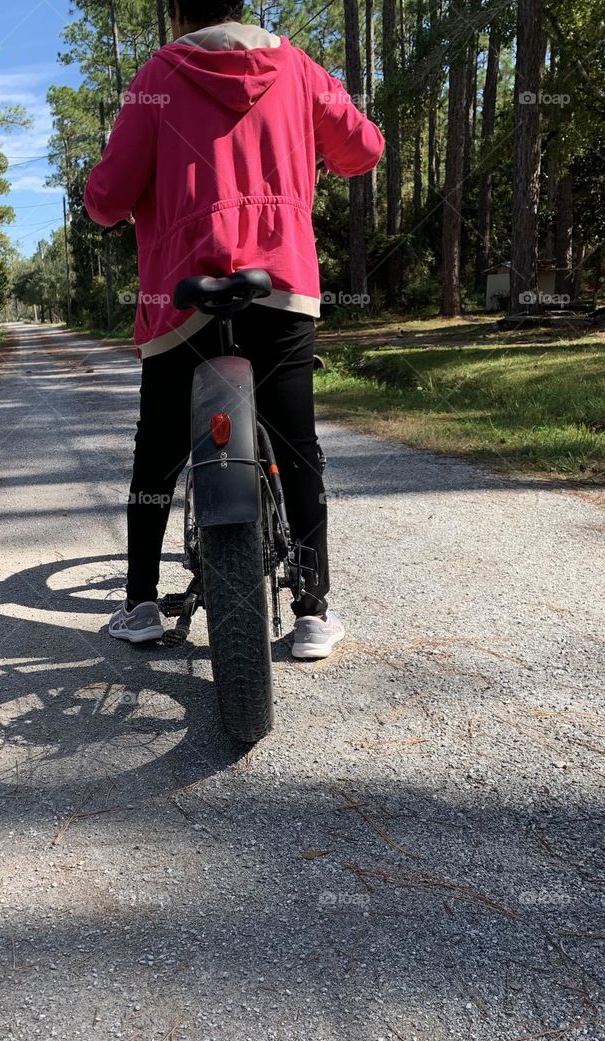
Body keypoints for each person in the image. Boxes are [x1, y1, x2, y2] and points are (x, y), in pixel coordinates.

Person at [83, 0, 384, 659]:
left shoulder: (157, 76)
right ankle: (312, 612)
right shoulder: (298, 68)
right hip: (279, 283)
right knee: (297, 445)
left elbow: (105, 201)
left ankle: (139, 606)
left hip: (181, 292)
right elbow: (363, 148)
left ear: (174, 10)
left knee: (156, 452)